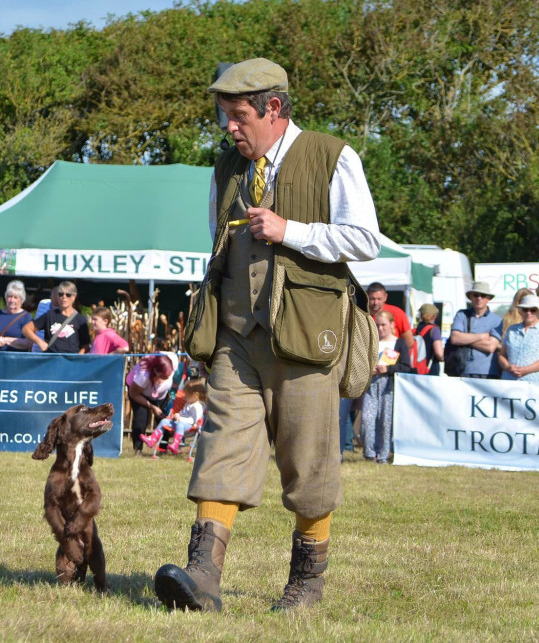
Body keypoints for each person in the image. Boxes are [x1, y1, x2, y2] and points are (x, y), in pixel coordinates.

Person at [154, 58, 380, 614]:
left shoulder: (333, 156)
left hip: (307, 336)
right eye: (225, 117)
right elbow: (219, 245)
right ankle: (203, 575)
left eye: (237, 117)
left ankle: (306, 584)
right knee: (220, 447)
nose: (229, 128)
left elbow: (366, 241)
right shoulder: (226, 167)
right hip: (236, 336)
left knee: (310, 463)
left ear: (273, 109)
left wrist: (290, 231)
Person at [361, 310, 415, 464]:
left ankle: (383, 454)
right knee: (367, 418)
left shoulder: (399, 343)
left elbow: (405, 367)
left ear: (392, 325)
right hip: (371, 385)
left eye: (383, 325)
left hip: (388, 386)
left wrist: (387, 369)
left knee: (386, 421)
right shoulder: (372, 342)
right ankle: (369, 452)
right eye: (377, 325)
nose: (380, 328)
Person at [497, 294, 539, 382]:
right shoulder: (512, 329)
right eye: (525, 309)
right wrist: (508, 367)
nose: (529, 312)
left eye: (533, 310)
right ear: (521, 311)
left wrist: (527, 370)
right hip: (511, 381)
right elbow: (501, 355)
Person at [449, 281, 503, 378]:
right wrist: (481, 336)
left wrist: (465, 338)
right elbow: (455, 338)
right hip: (461, 369)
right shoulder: (461, 314)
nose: (479, 298)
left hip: (488, 372)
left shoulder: (497, 320)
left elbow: (490, 347)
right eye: (476, 295)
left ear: (488, 298)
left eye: (483, 295)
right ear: (471, 297)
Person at [140, 378, 207, 457]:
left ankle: (175, 444)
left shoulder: (197, 406)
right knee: (164, 421)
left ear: (195, 395)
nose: (184, 397)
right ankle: (152, 439)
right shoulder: (189, 404)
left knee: (180, 424)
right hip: (180, 424)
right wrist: (178, 415)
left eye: (187, 395)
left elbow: (195, 420)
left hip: (191, 428)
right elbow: (182, 414)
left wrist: (180, 419)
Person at [22, 281, 90, 353]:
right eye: (60, 294)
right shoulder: (49, 315)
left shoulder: (80, 319)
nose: (64, 297)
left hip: (70, 360)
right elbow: (26, 329)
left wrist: (79, 356)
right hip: (51, 359)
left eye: (68, 295)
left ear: (74, 297)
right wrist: (40, 342)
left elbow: (85, 345)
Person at [127, 353, 176, 453]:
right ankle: (138, 449)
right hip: (139, 394)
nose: (165, 380)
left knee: (164, 419)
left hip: (160, 395)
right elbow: (134, 394)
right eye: (162, 377)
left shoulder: (173, 361)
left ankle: (163, 448)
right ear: (155, 371)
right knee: (141, 417)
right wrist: (152, 407)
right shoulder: (143, 376)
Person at [366, 282, 414, 353]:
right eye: (372, 299)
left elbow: (409, 342)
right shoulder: (362, 315)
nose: (375, 302)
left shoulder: (397, 313)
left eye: (379, 299)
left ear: (385, 297)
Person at [414, 303, 443, 375]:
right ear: (434, 316)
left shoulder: (415, 330)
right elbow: (439, 353)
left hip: (415, 368)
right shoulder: (434, 330)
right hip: (430, 368)